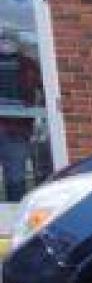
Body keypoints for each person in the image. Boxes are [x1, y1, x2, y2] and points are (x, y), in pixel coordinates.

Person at [0, 30, 44, 202]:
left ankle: (14, 217)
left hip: (17, 129)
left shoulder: (29, 65)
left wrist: (43, 112)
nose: (6, 43)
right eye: (3, 40)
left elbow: (46, 89)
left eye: (10, 40)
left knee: (16, 177)